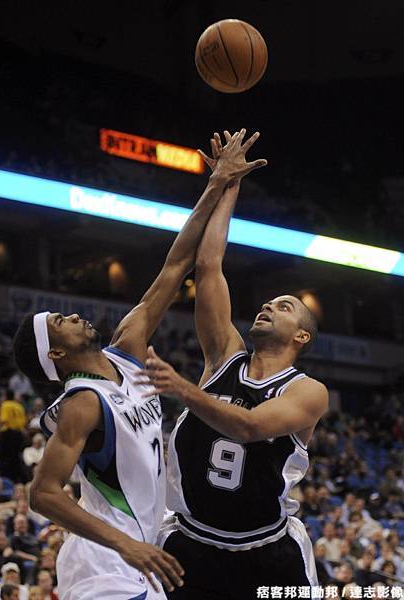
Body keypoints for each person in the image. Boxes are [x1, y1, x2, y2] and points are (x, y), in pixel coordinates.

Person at [12, 130, 266, 600]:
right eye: (60, 322)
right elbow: (42, 494)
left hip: (143, 559)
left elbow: (176, 265)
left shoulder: (125, 348)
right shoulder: (82, 403)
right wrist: (127, 545)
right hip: (102, 565)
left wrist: (217, 184)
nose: (72, 315)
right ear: (56, 354)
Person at [140, 132, 328, 598]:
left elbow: (248, 427)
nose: (268, 306)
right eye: (268, 302)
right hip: (190, 542)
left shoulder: (307, 391)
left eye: (284, 307)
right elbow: (208, 266)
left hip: (268, 552)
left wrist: (182, 389)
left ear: (301, 336)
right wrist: (228, 185)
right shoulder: (224, 356)